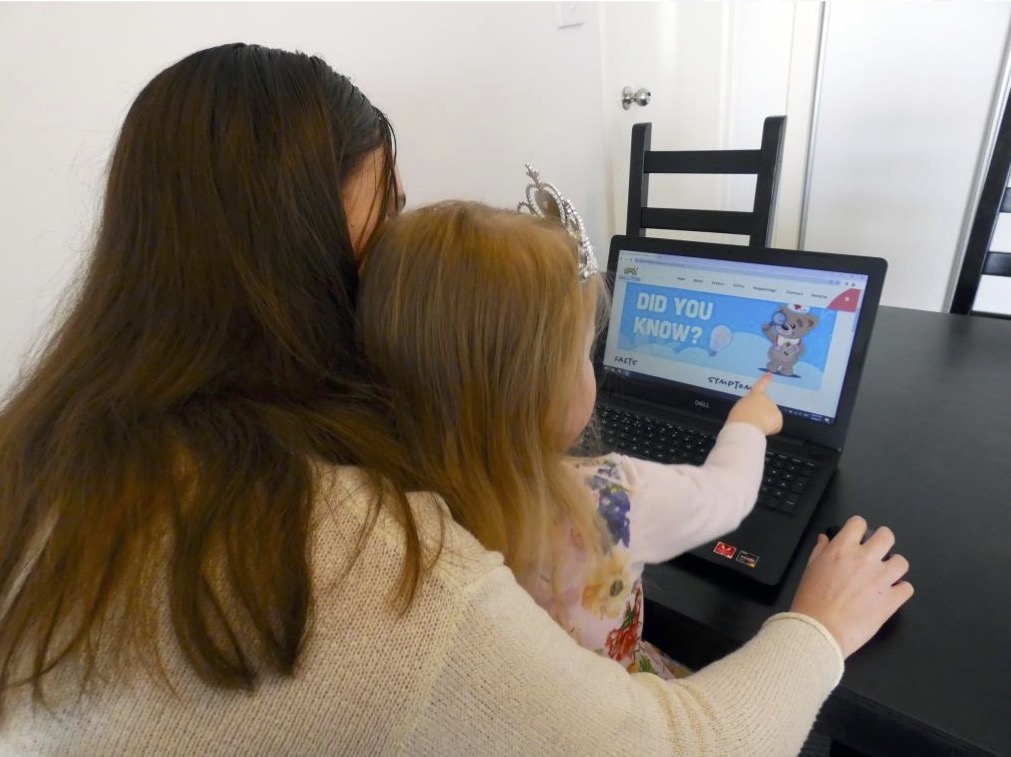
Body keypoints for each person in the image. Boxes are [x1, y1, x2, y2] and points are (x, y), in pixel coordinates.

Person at [0, 43, 913, 756]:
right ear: (290, 280)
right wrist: (815, 629)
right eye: (381, 230)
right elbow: (686, 741)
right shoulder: (370, 558)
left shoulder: (47, 449)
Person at [357, 198, 786, 678]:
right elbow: (726, 496)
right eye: (585, 353)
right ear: (539, 390)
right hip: (609, 705)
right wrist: (748, 424)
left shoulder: (378, 490)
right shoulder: (609, 498)